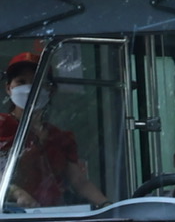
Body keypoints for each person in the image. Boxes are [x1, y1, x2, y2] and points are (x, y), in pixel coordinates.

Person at [1, 51, 107, 208]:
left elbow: (79, 181)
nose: (29, 89)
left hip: (53, 218)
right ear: (8, 88)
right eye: (21, 82)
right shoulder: (2, 125)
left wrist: (108, 206)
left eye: (38, 82)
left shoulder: (60, 138)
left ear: (51, 90)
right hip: (10, 221)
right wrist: (16, 192)